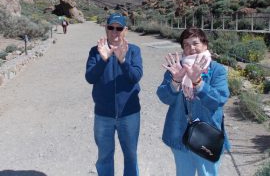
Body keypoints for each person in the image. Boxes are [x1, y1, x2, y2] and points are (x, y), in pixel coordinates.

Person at [156, 27, 230, 176]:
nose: (191, 48)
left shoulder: (216, 70)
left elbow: (219, 99)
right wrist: (176, 81)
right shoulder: (176, 69)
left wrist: (198, 83)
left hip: (208, 137)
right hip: (179, 133)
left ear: (205, 45)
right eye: (186, 44)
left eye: (195, 43)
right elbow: (164, 97)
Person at [85, 13, 143, 176]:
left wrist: (123, 61)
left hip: (129, 113)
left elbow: (135, 77)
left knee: (131, 155)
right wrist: (103, 60)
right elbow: (90, 77)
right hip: (103, 114)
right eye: (111, 27)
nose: (114, 31)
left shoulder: (134, 51)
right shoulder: (95, 51)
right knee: (104, 156)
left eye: (119, 28)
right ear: (106, 29)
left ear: (125, 30)